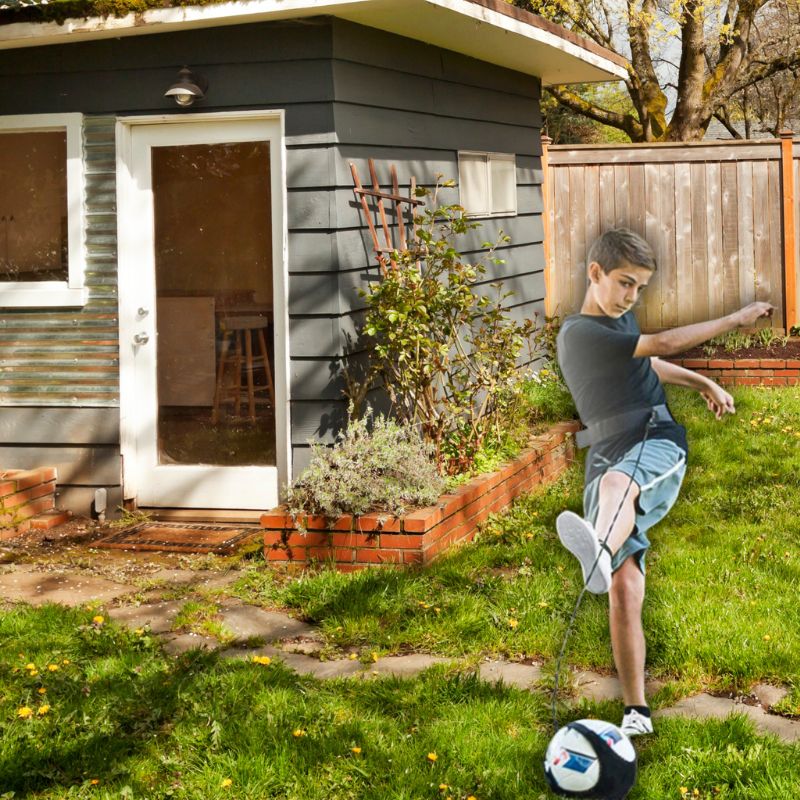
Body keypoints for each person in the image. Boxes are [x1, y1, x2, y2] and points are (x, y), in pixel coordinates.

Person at [555, 228, 773, 738]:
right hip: (609, 447)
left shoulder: (616, 319)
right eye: (625, 283)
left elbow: (648, 361)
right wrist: (736, 318)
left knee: (615, 487)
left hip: (655, 440)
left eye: (640, 288)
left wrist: (704, 382)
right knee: (625, 589)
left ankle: (598, 552)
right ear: (594, 274)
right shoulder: (580, 333)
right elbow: (661, 344)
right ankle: (636, 710)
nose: (632, 297)